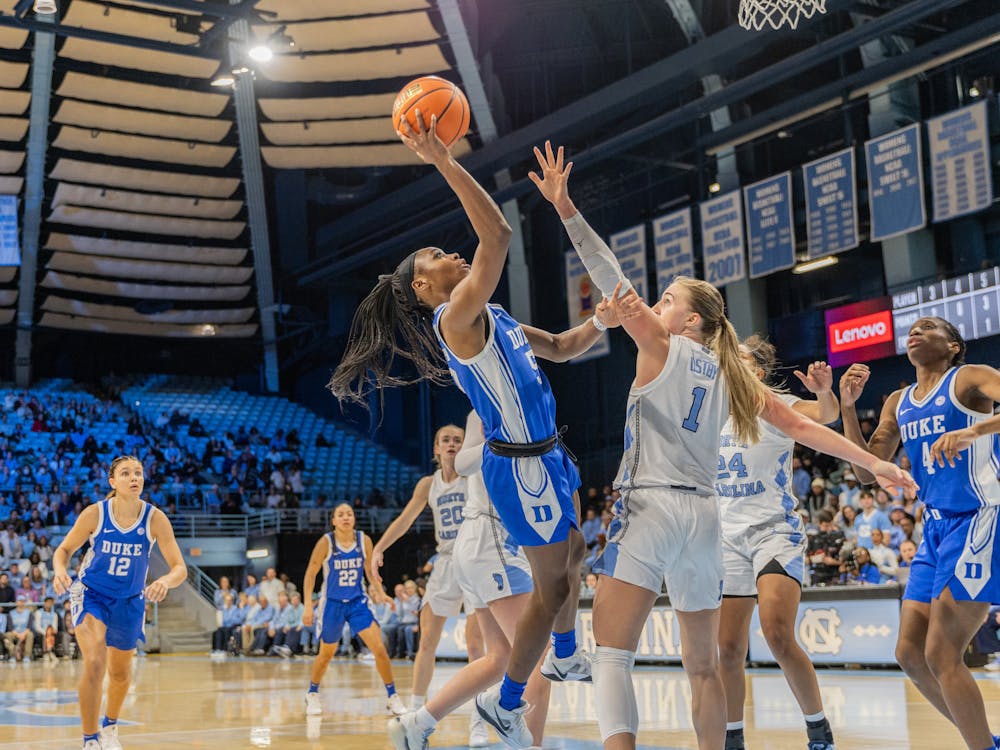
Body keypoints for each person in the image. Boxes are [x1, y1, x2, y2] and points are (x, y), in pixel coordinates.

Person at [530, 141, 915, 750]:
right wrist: (874, 464)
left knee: (611, 654)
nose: (655, 307)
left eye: (666, 302)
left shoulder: (661, 345)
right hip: (708, 520)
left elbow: (608, 274)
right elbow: (806, 428)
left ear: (688, 322)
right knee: (705, 666)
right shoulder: (735, 377)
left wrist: (565, 207)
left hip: (653, 507)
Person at [328, 125, 604, 743]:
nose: (452, 255)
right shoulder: (455, 318)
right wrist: (445, 160)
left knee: (577, 553)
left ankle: (561, 652)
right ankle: (505, 705)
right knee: (550, 582)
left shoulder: (495, 315)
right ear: (424, 288)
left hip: (551, 455)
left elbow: (560, 347)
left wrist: (601, 320)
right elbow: (498, 235)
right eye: (437, 258)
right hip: (520, 465)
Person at [840, 316, 1000, 750]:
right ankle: (986, 739)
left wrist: (973, 430)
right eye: (911, 328)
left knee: (941, 653)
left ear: (951, 345)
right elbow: (866, 471)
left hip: (979, 516)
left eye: (928, 326)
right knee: (909, 654)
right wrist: (848, 409)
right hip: (935, 526)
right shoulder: (897, 400)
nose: (915, 330)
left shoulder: (969, 378)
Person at [389, 410, 552, 750]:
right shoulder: (494, 407)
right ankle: (531, 745)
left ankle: (418, 722)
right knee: (538, 655)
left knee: (499, 657)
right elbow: (465, 461)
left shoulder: (504, 411)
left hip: (478, 544)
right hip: (489, 539)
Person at [714, 337, 840, 750]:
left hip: (773, 531)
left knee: (777, 634)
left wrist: (823, 392)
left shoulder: (775, 402)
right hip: (726, 537)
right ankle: (733, 738)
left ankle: (818, 729)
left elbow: (823, 415)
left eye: (741, 360)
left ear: (760, 372)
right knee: (728, 647)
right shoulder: (711, 408)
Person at [52, 455, 187, 750]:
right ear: (112, 482)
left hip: (129, 601)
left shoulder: (155, 518)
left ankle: (110, 727)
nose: (134, 478)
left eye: (138, 472)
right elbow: (63, 550)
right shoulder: (95, 514)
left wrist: (164, 581)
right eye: (125, 473)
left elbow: (180, 568)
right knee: (96, 660)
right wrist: (60, 570)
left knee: (120, 673)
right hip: (91, 595)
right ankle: (90, 740)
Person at [370, 423, 486, 735]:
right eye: (445, 440)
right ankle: (415, 711)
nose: (452, 444)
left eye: (458, 440)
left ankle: (479, 719)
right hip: (446, 562)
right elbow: (405, 519)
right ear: (435, 449)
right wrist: (379, 548)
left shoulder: (476, 475)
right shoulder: (428, 484)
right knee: (427, 641)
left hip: (474, 558)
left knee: (477, 646)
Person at [302, 504, 405, 716]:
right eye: (340, 515)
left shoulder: (363, 540)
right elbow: (311, 573)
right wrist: (307, 606)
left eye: (349, 514)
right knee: (326, 654)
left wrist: (381, 593)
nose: (345, 517)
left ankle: (392, 696)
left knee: (379, 649)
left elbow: (369, 571)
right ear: (333, 521)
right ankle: (312, 692)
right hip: (332, 603)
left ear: (354, 519)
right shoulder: (326, 542)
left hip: (358, 602)